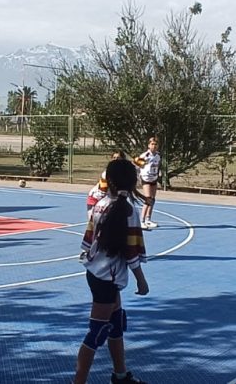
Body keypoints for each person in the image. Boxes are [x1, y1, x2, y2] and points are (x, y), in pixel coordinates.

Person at [73, 159, 150, 384]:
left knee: (116, 324)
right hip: (108, 278)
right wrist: (141, 281)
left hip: (98, 274)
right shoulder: (129, 211)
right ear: (132, 181)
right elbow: (131, 250)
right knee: (97, 332)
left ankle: (120, 375)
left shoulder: (100, 204)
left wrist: (89, 256)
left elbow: (88, 239)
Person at [133, 137, 161, 230]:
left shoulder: (157, 155)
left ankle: (149, 219)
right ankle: (142, 220)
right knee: (147, 199)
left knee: (152, 199)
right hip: (146, 179)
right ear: (149, 145)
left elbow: (157, 166)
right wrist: (137, 175)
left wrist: (157, 174)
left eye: (155, 144)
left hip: (154, 178)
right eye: (152, 144)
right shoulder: (146, 155)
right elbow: (136, 164)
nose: (154, 146)